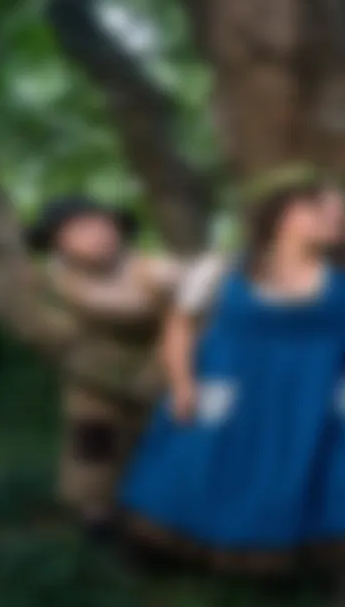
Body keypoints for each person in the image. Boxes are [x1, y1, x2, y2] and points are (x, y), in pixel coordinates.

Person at [118, 165, 345, 574]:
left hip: (310, 397)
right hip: (232, 390)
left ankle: (293, 563)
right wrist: (184, 384)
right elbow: (179, 327)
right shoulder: (221, 270)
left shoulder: (339, 279)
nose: (339, 219)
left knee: (310, 473)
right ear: (289, 214)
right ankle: (171, 556)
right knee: (200, 465)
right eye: (329, 211)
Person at [23, 196, 185, 538]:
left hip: (160, 368)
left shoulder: (155, 270)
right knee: (93, 441)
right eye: (80, 230)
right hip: (92, 375)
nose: (97, 235)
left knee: (162, 440)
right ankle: (96, 515)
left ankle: (161, 515)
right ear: (58, 242)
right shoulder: (51, 281)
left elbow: (188, 319)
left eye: (102, 225)